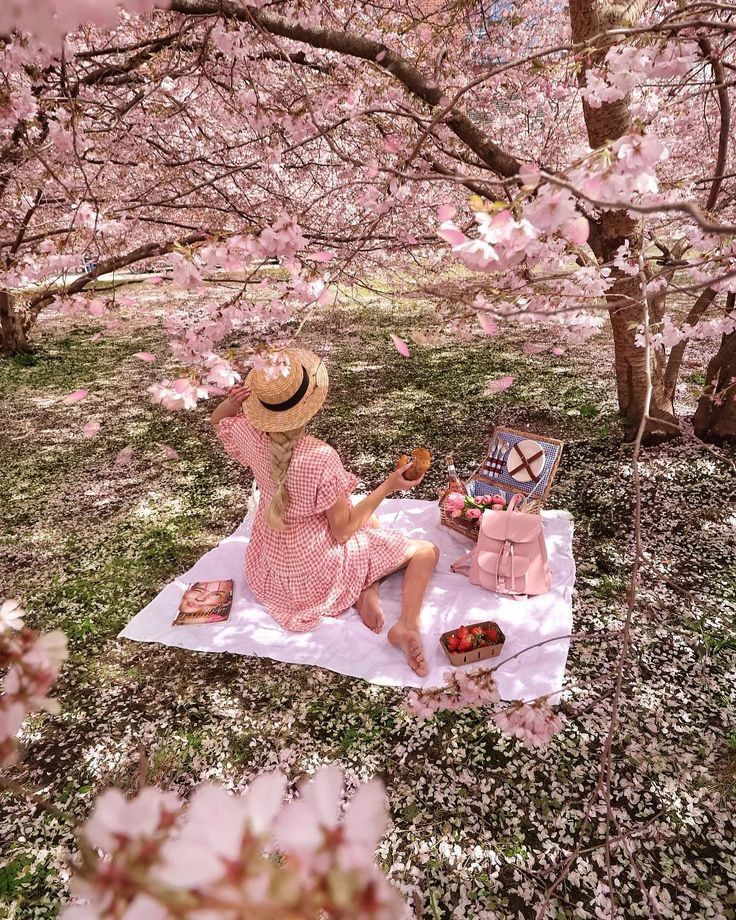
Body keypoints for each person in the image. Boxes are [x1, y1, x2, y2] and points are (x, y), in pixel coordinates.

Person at [210, 347, 439, 676]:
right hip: (319, 574)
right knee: (426, 551)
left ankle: (366, 588)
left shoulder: (250, 435)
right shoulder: (319, 457)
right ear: (309, 405)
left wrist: (234, 403)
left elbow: (219, 420)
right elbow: (342, 531)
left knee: (371, 523)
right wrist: (388, 486)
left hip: (275, 569)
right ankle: (405, 624)